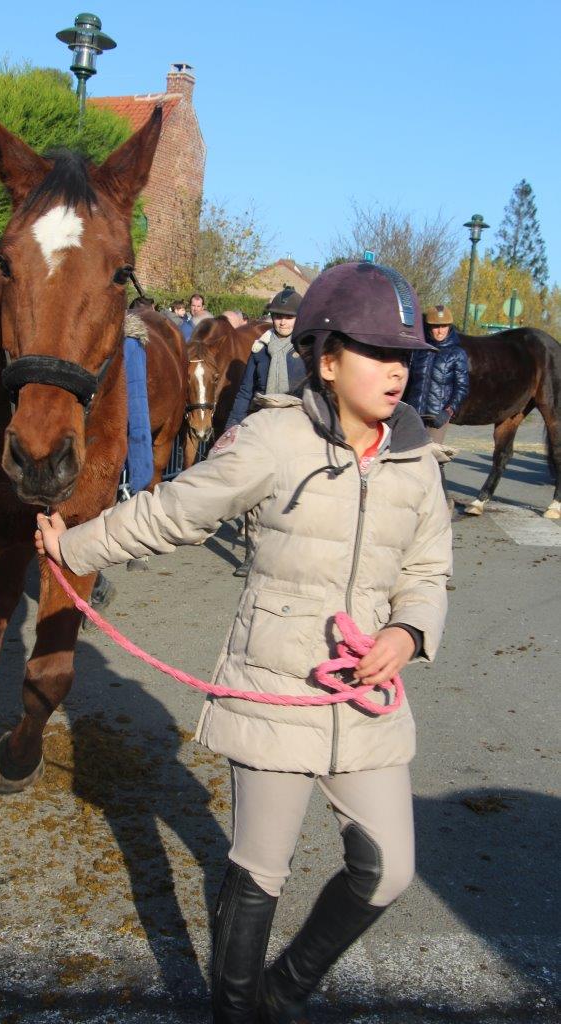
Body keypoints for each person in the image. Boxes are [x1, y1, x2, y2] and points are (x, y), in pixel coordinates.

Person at [35, 261, 451, 1024]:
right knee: (260, 871)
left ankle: (282, 992)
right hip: (275, 683)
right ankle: (236, 1011)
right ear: (326, 360)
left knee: (388, 870)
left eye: (404, 358)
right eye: (376, 353)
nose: (396, 372)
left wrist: (408, 629)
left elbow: (428, 569)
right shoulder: (271, 440)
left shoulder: (417, 461)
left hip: (366, 702)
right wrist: (75, 549)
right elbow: (171, 513)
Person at [225, 286, 306, 576]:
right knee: (256, 491)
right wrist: (232, 428)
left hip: (297, 426)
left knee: (292, 492)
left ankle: (290, 551)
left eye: (288, 317)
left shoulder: (306, 350)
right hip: (262, 425)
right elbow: (246, 390)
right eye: (277, 316)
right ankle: (252, 552)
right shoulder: (260, 350)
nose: (282, 322)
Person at [403, 304, 469, 509]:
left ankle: (443, 502)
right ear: (428, 327)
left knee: (434, 458)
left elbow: (462, 387)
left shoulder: (457, 354)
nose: (439, 331)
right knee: (410, 457)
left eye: (444, 326)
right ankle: (414, 501)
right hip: (415, 412)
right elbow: (407, 381)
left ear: (449, 327)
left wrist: (448, 411)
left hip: (438, 415)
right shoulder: (418, 350)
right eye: (435, 326)